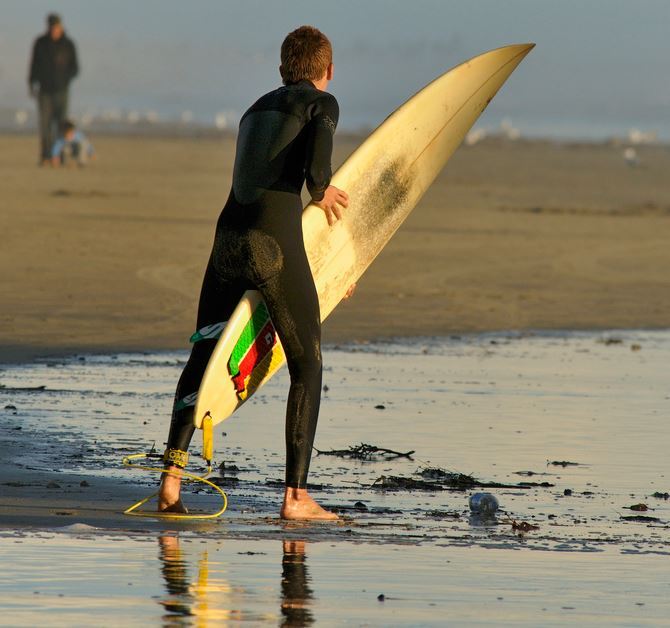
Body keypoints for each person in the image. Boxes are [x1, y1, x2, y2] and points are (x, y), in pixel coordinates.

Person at [158, 26, 349, 520]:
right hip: (271, 246)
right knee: (307, 364)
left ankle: (170, 483)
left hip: (226, 242)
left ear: (283, 70)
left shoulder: (252, 112)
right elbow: (317, 177)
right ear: (326, 71)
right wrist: (324, 191)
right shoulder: (322, 105)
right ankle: (296, 497)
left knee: (203, 353)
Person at [28, 13, 79, 165]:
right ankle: (45, 156)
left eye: (56, 27)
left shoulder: (68, 44)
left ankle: (60, 157)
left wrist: (65, 80)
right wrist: (31, 83)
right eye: (52, 27)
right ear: (48, 27)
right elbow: (34, 66)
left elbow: (75, 68)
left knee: (61, 125)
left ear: (61, 26)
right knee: (45, 125)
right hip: (44, 91)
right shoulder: (40, 43)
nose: (54, 30)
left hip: (62, 91)